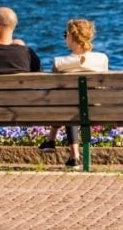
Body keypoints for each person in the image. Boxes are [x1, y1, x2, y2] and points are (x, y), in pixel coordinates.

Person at [38, 19, 109, 168]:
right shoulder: (102, 59)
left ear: (70, 37)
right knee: (74, 102)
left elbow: (54, 91)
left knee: (69, 102)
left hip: (68, 109)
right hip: (95, 108)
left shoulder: (60, 62)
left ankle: (71, 153)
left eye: (65, 34)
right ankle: (54, 143)